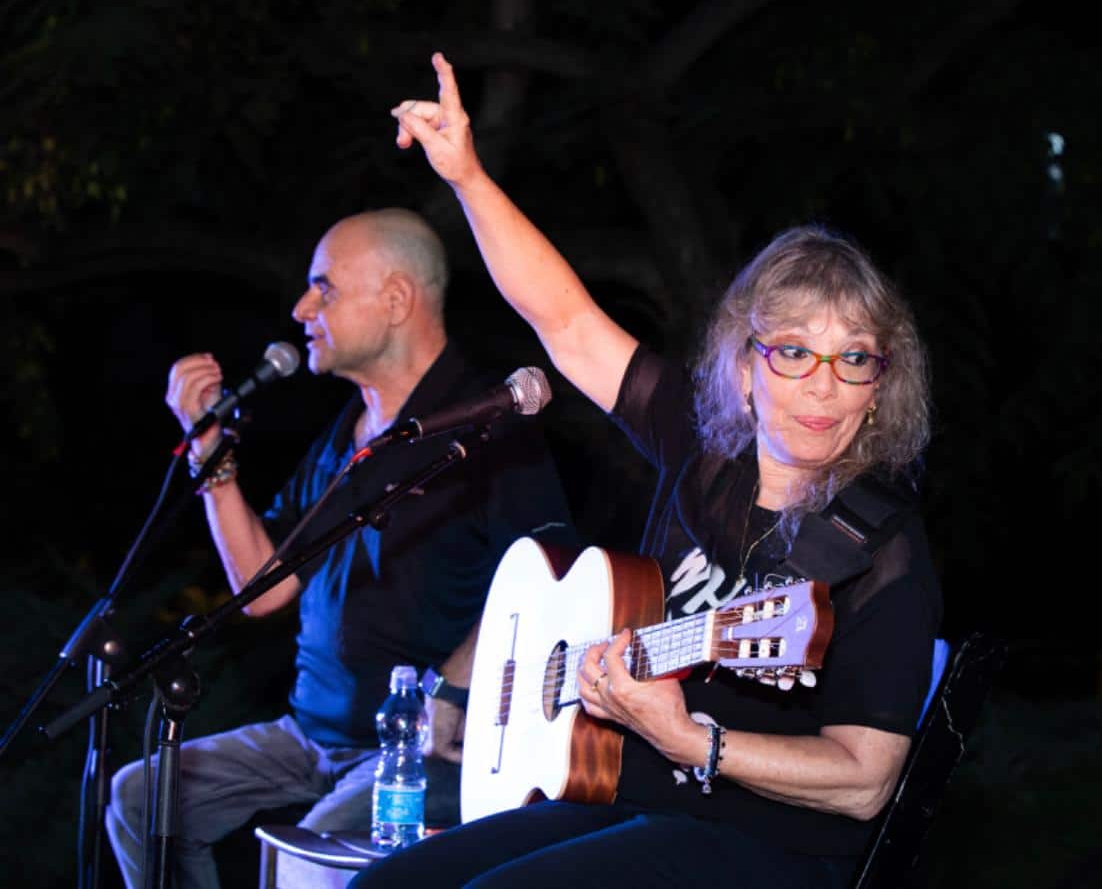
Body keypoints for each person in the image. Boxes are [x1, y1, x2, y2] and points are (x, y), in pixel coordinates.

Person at [350, 55, 942, 889]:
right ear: (745, 369)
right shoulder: (702, 446)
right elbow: (564, 320)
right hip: (625, 800)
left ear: (878, 389)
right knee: (387, 884)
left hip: (770, 848)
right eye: (793, 352)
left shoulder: (880, 546)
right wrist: (468, 178)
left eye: (854, 359)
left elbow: (865, 780)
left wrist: (692, 740)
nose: (823, 385)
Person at [105, 207, 574, 889]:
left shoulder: (485, 422)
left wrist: (451, 687)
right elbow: (263, 589)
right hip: (309, 736)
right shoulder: (348, 432)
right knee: (140, 796)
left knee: (309, 856)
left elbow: (551, 571)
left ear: (396, 300)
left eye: (323, 289)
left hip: (424, 744)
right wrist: (210, 456)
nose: (301, 309)